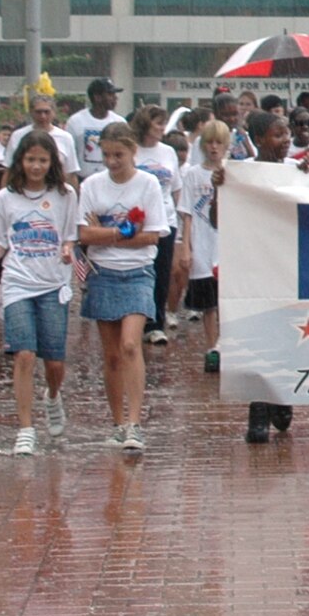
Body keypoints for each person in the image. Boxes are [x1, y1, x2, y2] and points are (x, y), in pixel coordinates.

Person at [0, 129, 80, 455]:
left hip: (53, 283)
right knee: (24, 354)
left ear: (52, 162)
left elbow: (70, 235)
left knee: (53, 362)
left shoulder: (65, 195)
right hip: (17, 283)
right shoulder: (5, 199)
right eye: (30, 160)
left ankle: (52, 396)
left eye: (42, 160)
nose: (36, 166)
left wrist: (68, 249)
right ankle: (25, 429)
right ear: (20, 161)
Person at [77, 122, 168, 453]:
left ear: (133, 152)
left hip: (139, 272)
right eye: (106, 155)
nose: (112, 161)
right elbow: (83, 234)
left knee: (131, 344)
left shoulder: (148, 184)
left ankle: (134, 422)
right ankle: (117, 422)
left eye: (119, 154)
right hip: (103, 273)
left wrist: (108, 232)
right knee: (112, 354)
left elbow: (153, 234)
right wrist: (123, 233)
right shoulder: (91, 185)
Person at [242, 110, 298, 440]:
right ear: (259, 139)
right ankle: (258, 406)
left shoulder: (296, 171)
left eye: (287, 134)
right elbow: (220, 219)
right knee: (257, 336)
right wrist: (224, 185)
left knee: (287, 334)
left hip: (289, 266)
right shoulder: (242, 172)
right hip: (255, 267)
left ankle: (282, 394)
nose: (286, 140)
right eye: (278, 135)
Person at [128, 104, 185, 346]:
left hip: (166, 220)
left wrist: (180, 222)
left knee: (162, 272)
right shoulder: (132, 150)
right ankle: (135, 317)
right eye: (158, 123)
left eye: (164, 123)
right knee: (140, 270)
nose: (163, 128)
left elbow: (176, 187)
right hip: (138, 221)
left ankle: (155, 324)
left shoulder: (168, 152)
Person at [180, 120, 229, 374]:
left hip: (225, 244)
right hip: (201, 242)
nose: (213, 147)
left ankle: (225, 344)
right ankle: (211, 347)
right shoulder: (192, 174)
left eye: (218, 142)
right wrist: (187, 247)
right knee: (208, 303)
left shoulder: (232, 171)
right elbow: (187, 212)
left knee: (225, 299)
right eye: (209, 142)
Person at [64, 79, 123, 182]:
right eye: (110, 94)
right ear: (97, 97)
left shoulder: (119, 122)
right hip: (83, 179)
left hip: (112, 180)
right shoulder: (75, 121)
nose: (115, 98)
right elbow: (68, 155)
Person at [28, 94, 80, 181]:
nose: (43, 116)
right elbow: (9, 171)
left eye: (46, 112)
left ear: (54, 113)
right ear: (31, 112)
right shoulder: (18, 136)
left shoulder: (65, 138)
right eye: (38, 112)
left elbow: (71, 173)